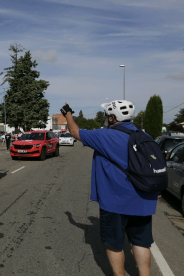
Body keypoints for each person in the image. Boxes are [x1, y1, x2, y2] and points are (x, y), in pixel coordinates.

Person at [61, 100, 158, 276]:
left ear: (112, 118)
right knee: (141, 243)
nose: (106, 119)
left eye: (107, 116)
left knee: (114, 244)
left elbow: (74, 132)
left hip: (115, 202)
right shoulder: (146, 136)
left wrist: (67, 113)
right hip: (143, 200)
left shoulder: (104, 136)